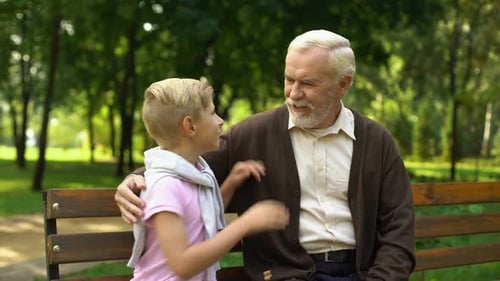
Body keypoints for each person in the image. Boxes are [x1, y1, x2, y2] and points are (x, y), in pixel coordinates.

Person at [116, 30, 415, 281]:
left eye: (308, 84)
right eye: (289, 79)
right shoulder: (252, 134)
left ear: (343, 84)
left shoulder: (376, 141)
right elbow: (181, 159)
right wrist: (135, 179)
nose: (293, 94)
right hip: (287, 275)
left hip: (362, 274)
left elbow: (397, 230)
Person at [128, 77, 290, 281]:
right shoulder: (165, 185)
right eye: (212, 113)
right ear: (190, 126)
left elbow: (203, 216)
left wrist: (232, 181)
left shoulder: (194, 173)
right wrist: (245, 224)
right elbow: (183, 264)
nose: (220, 120)